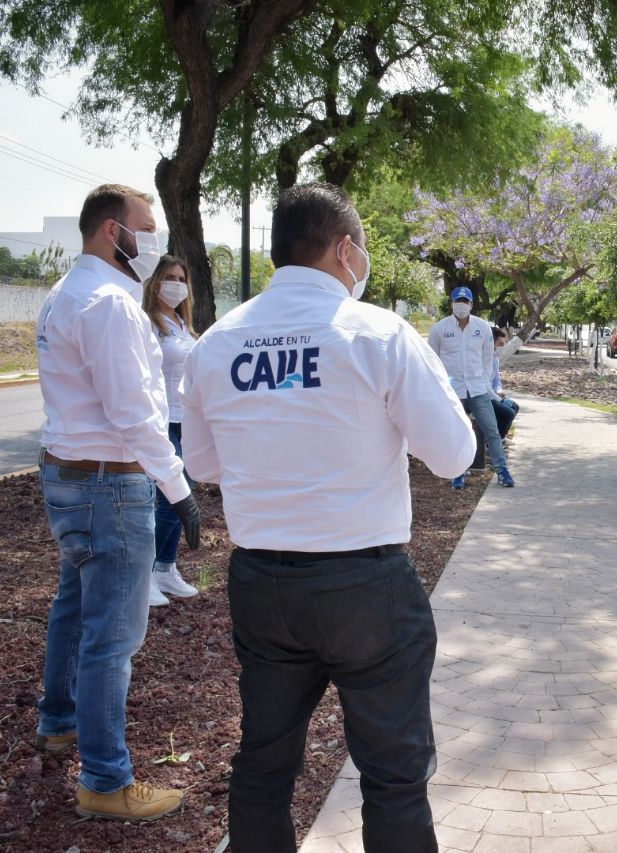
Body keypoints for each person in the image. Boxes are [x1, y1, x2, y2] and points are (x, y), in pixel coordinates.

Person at [180, 182, 475, 853]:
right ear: (345, 249)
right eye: (363, 247)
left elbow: (203, 464)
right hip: (364, 588)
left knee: (262, 764)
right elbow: (454, 452)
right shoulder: (379, 334)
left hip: (263, 584)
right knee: (394, 775)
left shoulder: (216, 343)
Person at [33, 183, 200, 822]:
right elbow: (134, 414)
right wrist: (179, 492)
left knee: (73, 607)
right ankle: (105, 781)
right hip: (110, 483)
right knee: (113, 637)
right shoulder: (110, 303)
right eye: (146, 226)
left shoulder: (62, 295)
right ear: (112, 230)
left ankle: (59, 722)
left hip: (70, 476)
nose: (153, 240)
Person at [140, 255, 199, 607]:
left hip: (184, 419)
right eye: (169, 277)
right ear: (155, 282)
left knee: (182, 495)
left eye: (181, 277)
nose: (176, 283)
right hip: (161, 421)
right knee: (165, 499)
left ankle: (166, 567)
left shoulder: (180, 322)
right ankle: (145, 573)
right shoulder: (147, 323)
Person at [428, 287, 516, 489]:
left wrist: (484, 382)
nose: (461, 305)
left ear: (471, 304)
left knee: (492, 430)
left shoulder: (482, 328)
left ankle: (502, 472)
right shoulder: (440, 329)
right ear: (451, 303)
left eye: (465, 301)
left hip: (477, 390)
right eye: (457, 301)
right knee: (456, 433)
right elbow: (431, 359)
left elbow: (487, 360)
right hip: (453, 391)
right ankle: (458, 473)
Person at [490, 326, 523, 441]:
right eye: (500, 344)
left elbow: (496, 380)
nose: (503, 347)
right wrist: (498, 399)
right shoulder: (480, 360)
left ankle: (500, 437)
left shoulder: (495, 359)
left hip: (493, 395)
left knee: (514, 406)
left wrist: (499, 391)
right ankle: (494, 442)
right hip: (483, 397)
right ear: (491, 342)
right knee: (508, 413)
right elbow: (482, 385)